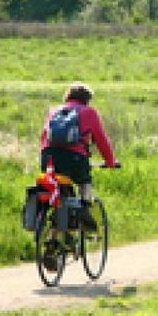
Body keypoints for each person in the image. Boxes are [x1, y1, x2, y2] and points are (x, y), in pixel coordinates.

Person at [39, 83, 118, 232]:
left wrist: (45, 157)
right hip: (75, 159)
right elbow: (101, 140)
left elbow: (44, 137)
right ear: (87, 99)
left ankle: (55, 234)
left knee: (58, 188)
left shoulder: (54, 111)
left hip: (48, 158)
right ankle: (84, 209)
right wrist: (110, 162)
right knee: (84, 180)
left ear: (67, 96)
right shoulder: (89, 112)